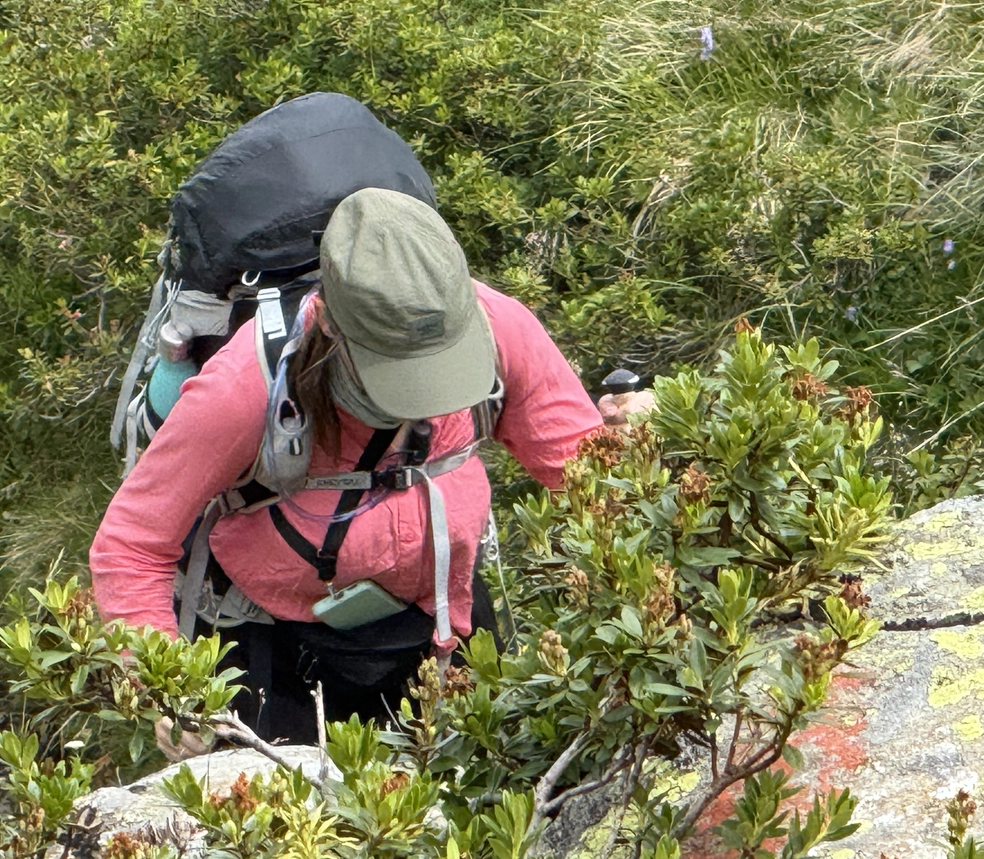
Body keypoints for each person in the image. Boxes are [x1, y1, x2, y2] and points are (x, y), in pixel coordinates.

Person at [90, 188, 651, 743]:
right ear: (331, 324)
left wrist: (650, 447)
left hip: (446, 629)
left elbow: (591, 485)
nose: (429, 400)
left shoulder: (497, 327)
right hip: (280, 658)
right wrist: (168, 691)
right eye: (400, 374)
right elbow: (132, 544)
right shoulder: (246, 385)